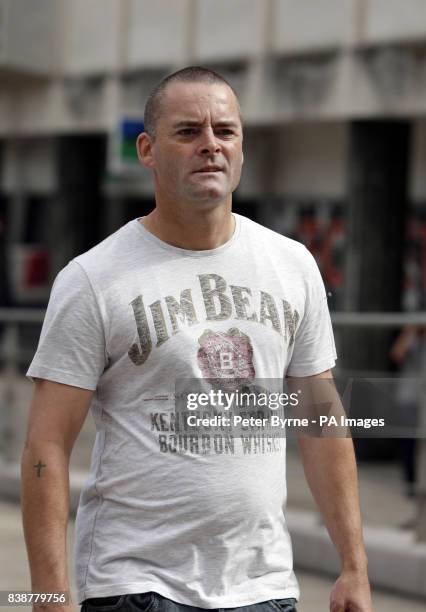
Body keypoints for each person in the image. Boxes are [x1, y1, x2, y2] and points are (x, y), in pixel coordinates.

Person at [21, 66, 373, 612]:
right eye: (188, 132)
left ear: (241, 147)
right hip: (136, 586)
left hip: (264, 586)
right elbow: (46, 445)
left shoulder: (291, 265)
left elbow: (321, 420)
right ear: (148, 149)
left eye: (225, 131)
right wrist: (48, 593)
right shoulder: (93, 279)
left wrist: (354, 565)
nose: (210, 145)